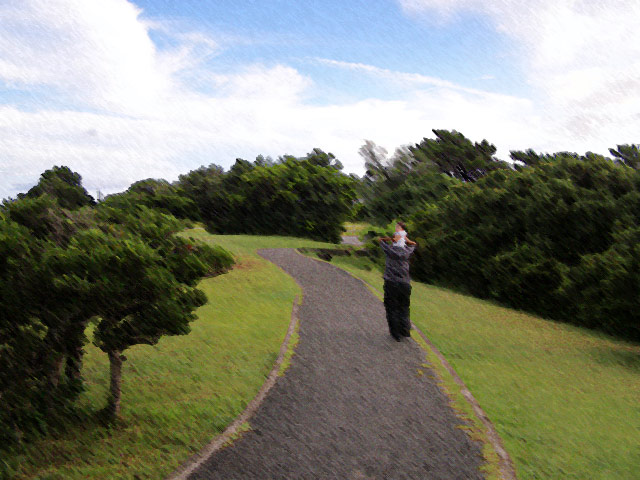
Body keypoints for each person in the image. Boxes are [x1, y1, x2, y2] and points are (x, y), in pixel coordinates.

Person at [379, 222, 417, 341]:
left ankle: (395, 333)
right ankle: (405, 331)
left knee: (391, 307)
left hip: (391, 282)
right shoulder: (407, 252)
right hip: (405, 283)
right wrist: (407, 240)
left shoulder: (390, 250)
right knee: (404, 307)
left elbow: (381, 242)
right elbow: (413, 245)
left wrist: (385, 239)